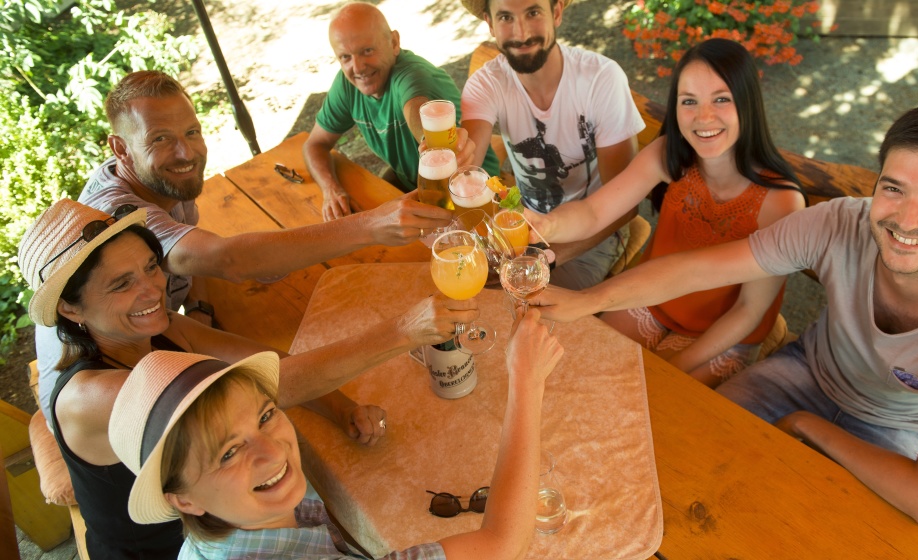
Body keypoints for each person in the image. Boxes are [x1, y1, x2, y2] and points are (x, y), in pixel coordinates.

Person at [534, 102, 918, 526]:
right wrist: (587, 302)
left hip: (896, 430)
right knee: (662, 463)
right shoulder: (841, 222)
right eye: (894, 189)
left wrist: (806, 425)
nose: (907, 218)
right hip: (803, 373)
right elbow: (698, 269)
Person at [17, 199, 472, 557]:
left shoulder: (157, 328)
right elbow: (260, 391)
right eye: (121, 284)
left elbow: (262, 362)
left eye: (151, 267)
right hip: (171, 548)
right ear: (71, 309)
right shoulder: (90, 394)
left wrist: (341, 408)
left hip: (222, 517)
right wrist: (402, 330)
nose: (151, 290)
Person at [33, 69, 455, 426]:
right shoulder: (115, 218)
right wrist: (370, 225)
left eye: (192, 132)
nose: (186, 152)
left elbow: (197, 261)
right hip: (114, 375)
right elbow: (227, 259)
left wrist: (198, 307)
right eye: (160, 138)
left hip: (153, 335)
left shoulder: (164, 180)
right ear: (120, 148)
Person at [109, 307, 562, 559]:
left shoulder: (222, 531)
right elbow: (501, 542)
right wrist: (526, 379)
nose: (273, 451)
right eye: (228, 452)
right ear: (183, 499)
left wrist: (341, 407)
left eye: (266, 415)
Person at [527, 39, 807, 386]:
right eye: (689, 101)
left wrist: (675, 366)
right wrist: (546, 224)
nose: (704, 118)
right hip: (649, 300)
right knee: (581, 374)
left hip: (721, 332)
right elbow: (595, 213)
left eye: (721, 99)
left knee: (659, 403)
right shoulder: (668, 155)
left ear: (748, 103)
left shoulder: (781, 202)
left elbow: (748, 311)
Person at [460, 0, 646, 290]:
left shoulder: (600, 79)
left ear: (556, 13)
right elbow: (466, 162)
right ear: (490, 24)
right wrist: (452, 159)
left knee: (527, 305)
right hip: (524, 223)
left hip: (593, 234)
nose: (520, 33)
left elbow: (625, 206)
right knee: (472, 291)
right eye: (506, 17)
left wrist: (547, 258)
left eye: (532, 13)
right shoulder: (487, 83)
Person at [303, 2, 501, 220]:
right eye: (345, 57)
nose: (358, 68)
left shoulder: (412, 75)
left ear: (394, 42)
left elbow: (416, 106)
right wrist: (331, 190)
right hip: (412, 183)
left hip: (470, 191)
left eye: (367, 51)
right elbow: (314, 144)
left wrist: (429, 141)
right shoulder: (347, 84)